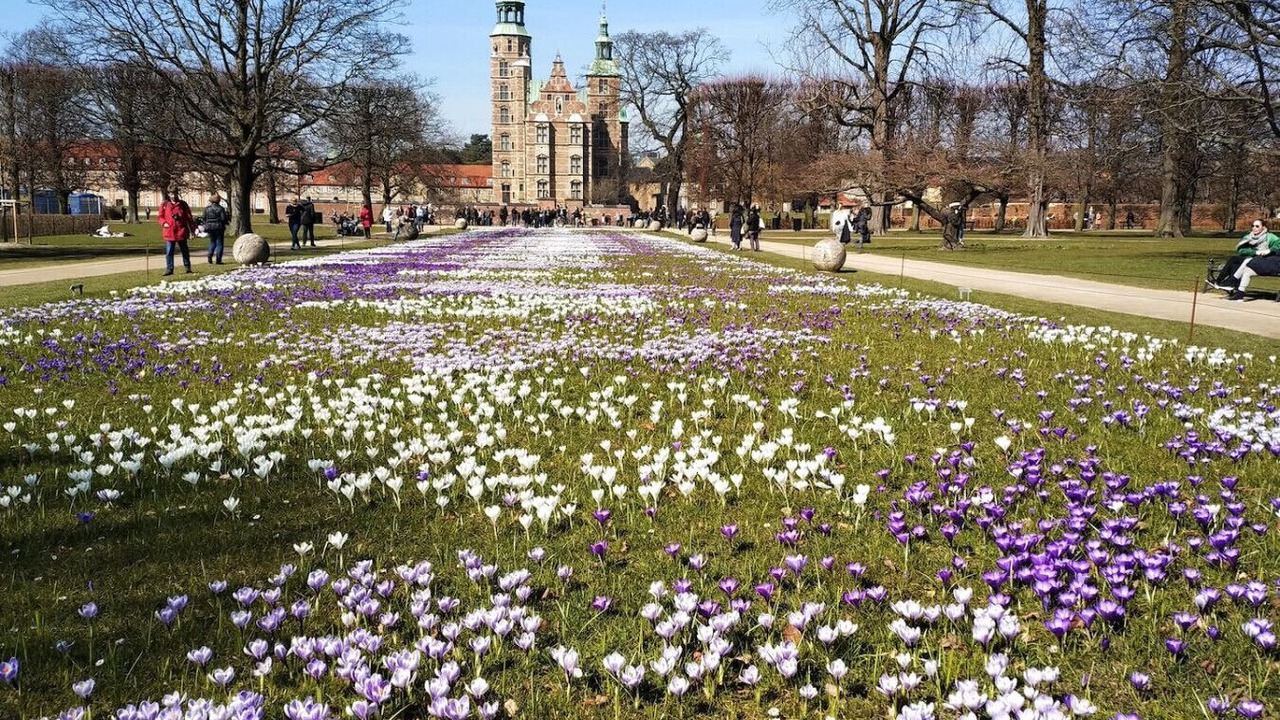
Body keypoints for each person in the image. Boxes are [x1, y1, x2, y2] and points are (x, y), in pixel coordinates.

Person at [1222, 219, 1280, 301]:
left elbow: (1278, 246)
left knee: (1247, 261)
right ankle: (1239, 295)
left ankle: (1231, 281)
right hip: (1257, 262)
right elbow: (1241, 251)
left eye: (1257, 226)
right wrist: (1255, 252)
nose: (1254, 228)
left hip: (1271, 263)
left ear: (1263, 227)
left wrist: (1269, 250)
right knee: (1247, 270)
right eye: (1253, 226)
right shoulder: (1248, 237)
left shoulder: (1271, 237)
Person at [158, 189, 196, 276]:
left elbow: (189, 218)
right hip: (169, 232)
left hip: (181, 231)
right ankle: (169, 269)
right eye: (171, 194)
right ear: (168, 194)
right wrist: (164, 223)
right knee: (169, 251)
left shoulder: (183, 204)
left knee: (184, 251)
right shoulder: (164, 204)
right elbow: (160, 216)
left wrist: (192, 231)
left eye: (174, 193)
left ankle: (187, 268)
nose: (173, 196)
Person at [201, 193, 228, 265]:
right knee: (219, 243)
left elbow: (203, 218)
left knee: (212, 242)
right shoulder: (221, 209)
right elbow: (223, 218)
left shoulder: (207, 209)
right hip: (219, 227)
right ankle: (218, 260)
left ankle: (210, 255)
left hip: (209, 227)